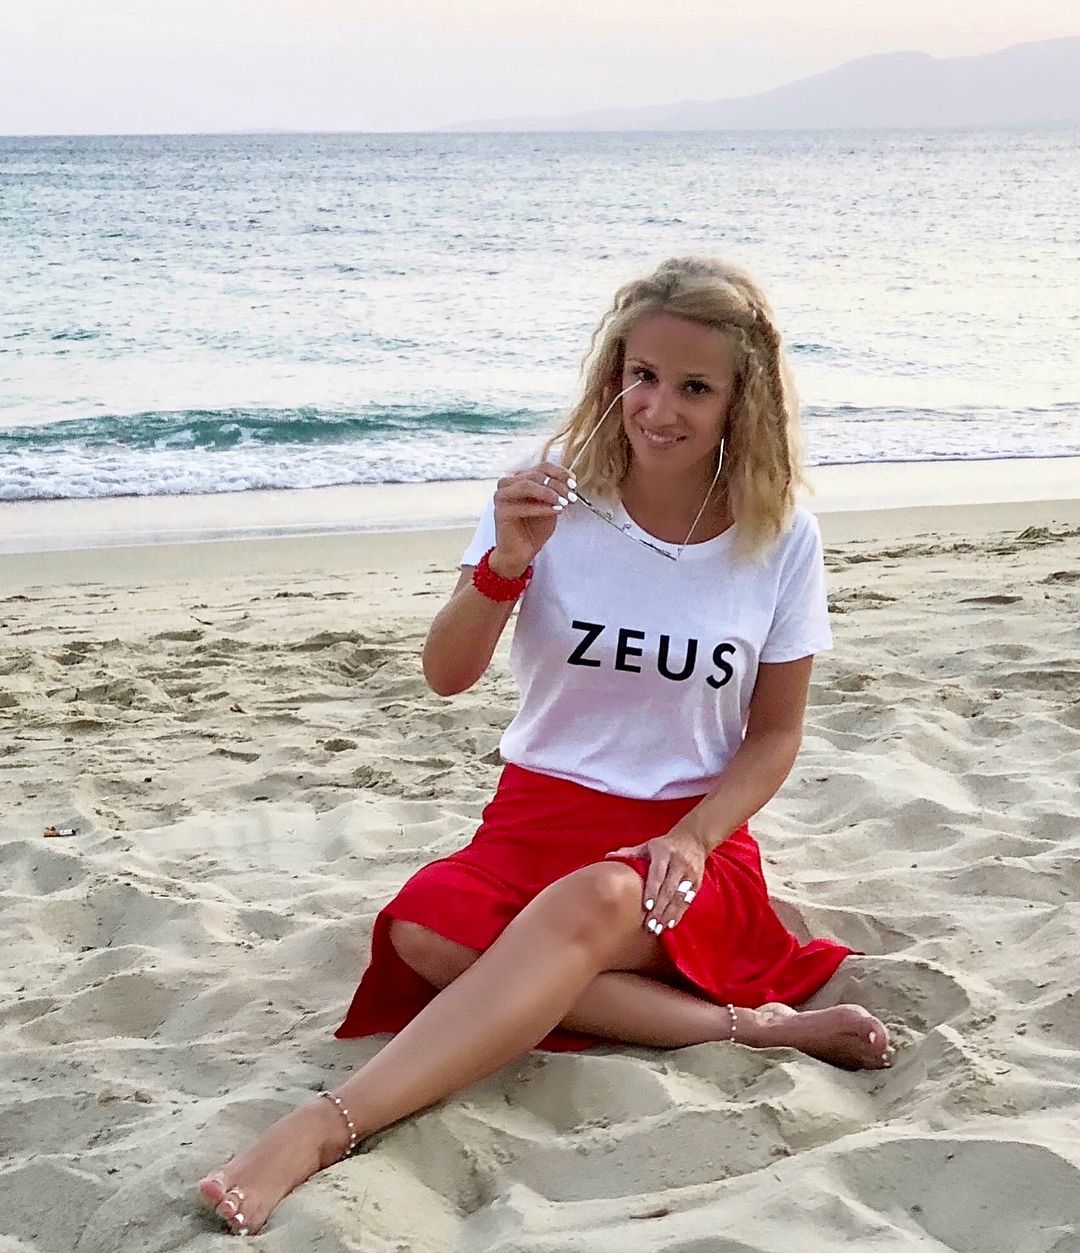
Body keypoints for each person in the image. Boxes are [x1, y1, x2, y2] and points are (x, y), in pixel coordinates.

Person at [199, 255, 894, 1237]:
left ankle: (325, 1124)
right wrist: (506, 562)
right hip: (533, 817)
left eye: (695, 387)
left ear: (743, 399)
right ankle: (748, 1026)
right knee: (424, 931)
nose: (659, 408)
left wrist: (693, 837)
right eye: (642, 374)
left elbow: (776, 733)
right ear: (614, 372)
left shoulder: (780, 535)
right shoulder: (547, 495)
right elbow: (445, 672)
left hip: (683, 840)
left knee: (596, 898)